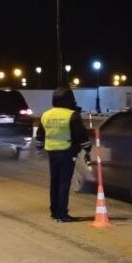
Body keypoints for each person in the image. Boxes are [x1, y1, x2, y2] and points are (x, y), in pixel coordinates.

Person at [34, 87, 92, 222]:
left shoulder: (46, 114)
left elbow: (40, 135)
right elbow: (81, 136)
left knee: (54, 182)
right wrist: (87, 148)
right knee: (64, 182)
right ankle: (62, 214)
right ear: (69, 99)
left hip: (51, 152)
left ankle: (54, 211)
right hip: (67, 152)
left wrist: (39, 149)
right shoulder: (72, 115)